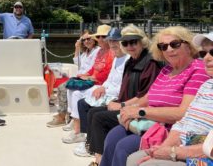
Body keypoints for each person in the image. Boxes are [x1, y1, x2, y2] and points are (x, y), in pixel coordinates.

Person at [101, 26, 210, 166]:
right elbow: (148, 98)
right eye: (163, 46)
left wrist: (141, 112)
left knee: (124, 147)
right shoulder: (166, 69)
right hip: (150, 122)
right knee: (113, 136)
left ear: (188, 46)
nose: (169, 49)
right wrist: (128, 109)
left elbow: (183, 113)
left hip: (169, 129)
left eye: (175, 44)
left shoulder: (198, 70)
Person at [79, 24, 161, 165]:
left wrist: (122, 105)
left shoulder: (150, 63)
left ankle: (99, 159)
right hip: (127, 103)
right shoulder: (132, 61)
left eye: (133, 41)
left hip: (136, 107)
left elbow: (146, 96)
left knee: (99, 117)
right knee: (93, 112)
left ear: (142, 41)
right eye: (125, 42)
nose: (129, 46)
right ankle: (98, 155)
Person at [72, 28, 130, 156]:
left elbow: (122, 86)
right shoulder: (116, 57)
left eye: (116, 41)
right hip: (108, 91)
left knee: (92, 110)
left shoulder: (127, 59)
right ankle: (87, 139)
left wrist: (105, 89)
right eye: (111, 41)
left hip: (116, 96)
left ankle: (92, 146)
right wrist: (103, 87)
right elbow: (110, 78)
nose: (112, 44)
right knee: (82, 103)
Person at [62, 24, 115, 144]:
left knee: (76, 94)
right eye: (99, 36)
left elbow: (107, 72)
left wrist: (92, 77)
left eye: (104, 37)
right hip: (93, 81)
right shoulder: (101, 51)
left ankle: (78, 131)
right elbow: (94, 68)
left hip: (100, 83)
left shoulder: (112, 53)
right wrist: (86, 74)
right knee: (72, 90)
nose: (101, 39)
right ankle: (76, 125)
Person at [47, 30, 100, 128]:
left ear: (94, 39)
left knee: (64, 87)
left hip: (88, 79)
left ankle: (63, 117)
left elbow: (94, 69)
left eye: (89, 39)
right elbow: (76, 62)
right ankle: (68, 116)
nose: (86, 41)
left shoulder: (97, 51)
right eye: (84, 40)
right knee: (63, 87)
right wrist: (77, 47)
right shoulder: (85, 53)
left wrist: (84, 76)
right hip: (80, 78)